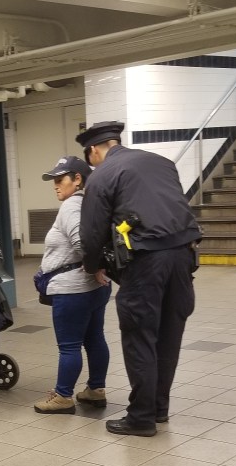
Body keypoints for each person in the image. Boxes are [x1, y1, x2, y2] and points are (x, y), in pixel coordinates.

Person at [77, 121, 202, 437]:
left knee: (140, 335)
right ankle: (159, 408)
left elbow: (92, 234)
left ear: (94, 150)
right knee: (169, 335)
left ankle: (141, 418)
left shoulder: (102, 175)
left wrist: (93, 265)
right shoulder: (161, 163)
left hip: (147, 263)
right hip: (184, 257)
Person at [33, 156, 111, 414]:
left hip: (73, 289)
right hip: (95, 288)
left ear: (77, 179)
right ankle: (95, 390)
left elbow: (83, 242)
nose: (55, 185)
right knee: (95, 338)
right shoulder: (94, 202)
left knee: (69, 346)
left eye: (60, 179)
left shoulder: (70, 206)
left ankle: (63, 396)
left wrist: (94, 267)